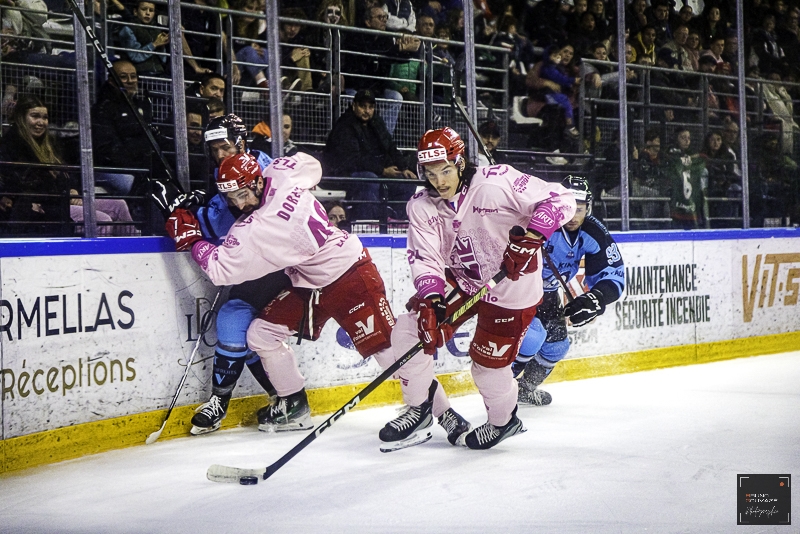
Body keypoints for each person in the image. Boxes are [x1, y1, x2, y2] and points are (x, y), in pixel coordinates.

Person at [166, 152, 405, 435]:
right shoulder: (280, 173)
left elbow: (220, 271)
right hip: (308, 281)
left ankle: (428, 405)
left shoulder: (254, 229)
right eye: (231, 199)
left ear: (257, 182)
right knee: (261, 334)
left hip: (347, 273)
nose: (239, 205)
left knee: (385, 348)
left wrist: (193, 241)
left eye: (242, 195)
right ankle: (293, 405)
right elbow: (312, 165)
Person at [375, 127, 577, 450]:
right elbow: (426, 257)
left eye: (445, 170)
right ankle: (421, 408)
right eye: (430, 173)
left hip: (512, 287)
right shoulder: (422, 205)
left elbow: (560, 198)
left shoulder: (495, 182)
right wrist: (432, 301)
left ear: (459, 163)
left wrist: (533, 237)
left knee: (486, 368)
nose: (439, 181)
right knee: (408, 331)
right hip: (464, 279)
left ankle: (503, 421)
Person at [165, 113, 291, 435]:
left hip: (289, 272)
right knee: (234, 322)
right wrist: (192, 209)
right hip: (257, 273)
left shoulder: (268, 171)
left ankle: (288, 399)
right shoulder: (225, 174)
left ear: (241, 142)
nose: (220, 154)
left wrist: (195, 224)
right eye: (214, 149)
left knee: (251, 330)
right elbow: (222, 220)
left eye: (225, 146)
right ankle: (232, 401)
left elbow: (240, 223)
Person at [512, 177, 624, 405]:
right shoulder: (538, 221)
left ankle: (524, 389)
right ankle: (500, 389)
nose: (573, 216)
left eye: (579, 209)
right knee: (532, 337)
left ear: (588, 208)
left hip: (548, 295)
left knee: (557, 347)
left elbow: (613, 274)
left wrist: (596, 298)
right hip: (519, 290)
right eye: (568, 208)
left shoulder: (592, 231)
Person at [0, 95, 135, 236]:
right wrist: (64, 194)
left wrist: (73, 190)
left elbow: (68, 173)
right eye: (35, 116)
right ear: (21, 118)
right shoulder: (11, 145)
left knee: (119, 205)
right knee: (101, 220)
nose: (41, 122)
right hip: (47, 206)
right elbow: (23, 184)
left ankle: (134, 248)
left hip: (63, 199)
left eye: (45, 117)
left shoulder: (51, 143)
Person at [323, 88, 416, 220]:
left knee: (406, 183)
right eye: (363, 106)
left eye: (370, 107)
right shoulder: (344, 126)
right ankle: (367, 224)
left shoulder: (376, 122)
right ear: (354, 106)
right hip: (342, 175)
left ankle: (397, 223)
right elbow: (353, 160)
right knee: (369, 179)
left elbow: (390, 146)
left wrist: (404, 168)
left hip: (374, 171)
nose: (367, 111)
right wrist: (382, 170)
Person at [91, 59, 165, 195]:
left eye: (133, 76)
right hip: (113, 169)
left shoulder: (143, 105)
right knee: (132, 183)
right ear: (112, 81)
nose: (130, 81)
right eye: (123, 77)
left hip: (141, 167)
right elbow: (107, 149)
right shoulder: (103, 109)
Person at [667, 128, 709, 229]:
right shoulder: (671, 151)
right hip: (677, 197)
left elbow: (704, 157)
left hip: (692, 200)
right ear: (676, 139)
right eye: (683, 138)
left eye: (689, 138)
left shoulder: (691, 152)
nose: (687, 141)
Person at [115, 0, 170, 76]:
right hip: (139, 73)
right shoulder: (128, 29)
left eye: (151, 10)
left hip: (159, 72)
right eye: (144, 9)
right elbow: (135, 56)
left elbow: (163, 60)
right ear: (135, 11)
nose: (148, 13)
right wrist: (155, 44)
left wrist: (162, 45)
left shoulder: (157, 29)